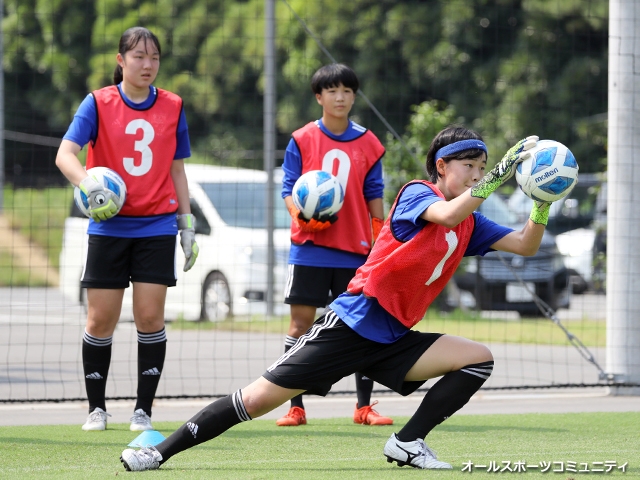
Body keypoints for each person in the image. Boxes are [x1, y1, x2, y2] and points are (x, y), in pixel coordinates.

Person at [120, 126, 548, 471]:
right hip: (351, 325)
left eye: (483, 167)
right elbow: (450, 214)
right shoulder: (420, 194)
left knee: (478, 358)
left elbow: (526, 245)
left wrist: (543, 202)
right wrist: (504, 170)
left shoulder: (472, 223)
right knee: (255, 400)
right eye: (470, 166)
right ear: (441, 166)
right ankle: (157, 453)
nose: (477, 174)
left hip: (394, 336)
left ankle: (408, 441)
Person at [55, 26, 198, 432]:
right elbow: (65, 154)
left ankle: (143, 410)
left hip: (156, 227)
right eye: (138, 57)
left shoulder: (173, 105)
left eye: (154, 57)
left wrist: (186, 224)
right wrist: (87, 183)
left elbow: (176, 168)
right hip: (109, 229)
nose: (147, 65)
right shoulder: (98, 103)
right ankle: (96, 409)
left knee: (150, 318)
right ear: (121, 61)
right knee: (100, 321)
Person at [278, 63, 391, 426]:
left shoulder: (370, 143)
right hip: (309, 248)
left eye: (347, 91)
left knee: (362, 326)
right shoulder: (301, 139)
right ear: (318, 96)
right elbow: (288, 190)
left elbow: (375, 196)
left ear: (354, 96)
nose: (340, 97)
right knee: (300, 325)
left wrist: (380, 241)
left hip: (356, 251)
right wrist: (300, 215)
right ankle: (294, 406)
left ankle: (363, 406)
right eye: (332, 91)